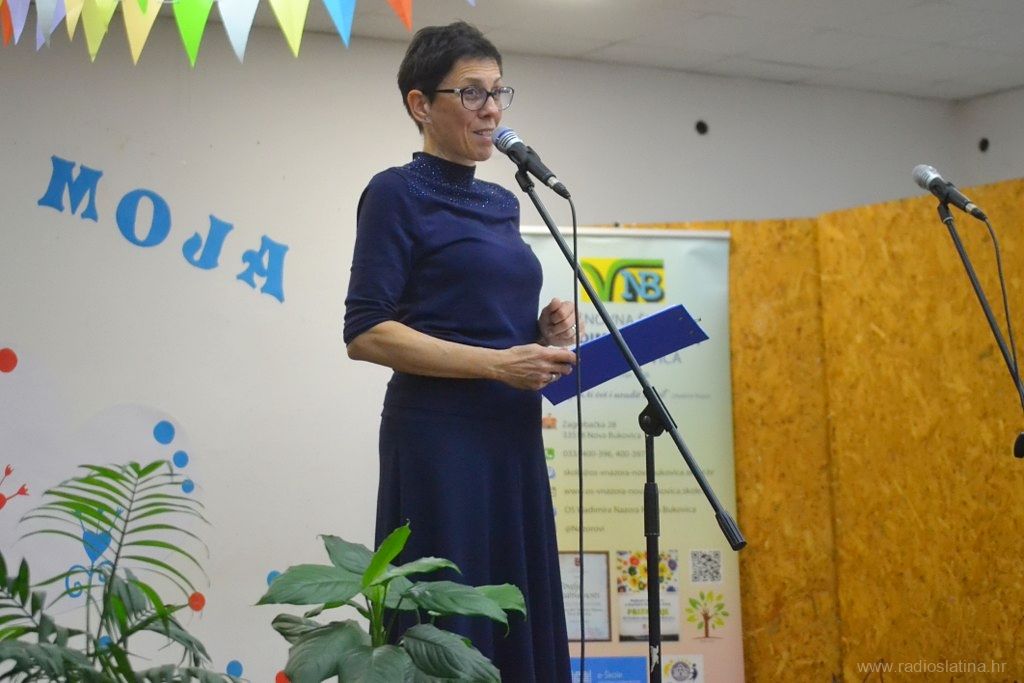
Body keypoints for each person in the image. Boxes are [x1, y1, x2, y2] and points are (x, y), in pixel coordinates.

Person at [342, 20, 578, 683]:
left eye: (499, 91)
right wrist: (499, 364)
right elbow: (366, 331)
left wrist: (541, 334)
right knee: (450, 617)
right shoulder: (395, 192)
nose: (492, 109)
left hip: (511, 435)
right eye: (472, 92)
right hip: (440, 440)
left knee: (512, 605)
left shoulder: (503, 201)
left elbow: (476, 317)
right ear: (421, 104)